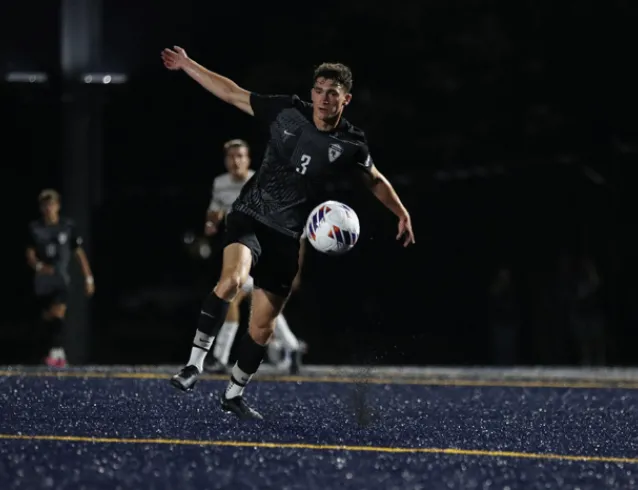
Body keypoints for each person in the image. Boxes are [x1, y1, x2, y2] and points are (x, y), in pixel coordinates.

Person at [162, 46, 415, 420]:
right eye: (319, 89)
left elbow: (374, 180)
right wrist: (186, 65)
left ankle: (233, 394)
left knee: (263, 327)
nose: (324, 98)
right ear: (311, 92)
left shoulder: (351, 143)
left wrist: (402, 212)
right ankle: (194, 364)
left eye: (333, 92)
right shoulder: (286, 111)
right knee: (232, 280)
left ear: (346, 98)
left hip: (288, 236)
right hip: (250, 216)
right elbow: (231, 91)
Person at [203, 139, 307, 374]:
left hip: (261, 253)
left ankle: (220, 357)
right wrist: (212, 222)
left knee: (234, 296)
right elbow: (215, 209)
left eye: (240, 156)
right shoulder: (220, 184)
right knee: (259, 303)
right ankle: (291, 347)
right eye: (231, 156)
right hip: (239, 251)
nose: (235, 161)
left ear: (248, 160)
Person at [26, 189, 95, 367]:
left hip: (61, 279)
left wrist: (88, 277)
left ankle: (58, 351)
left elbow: (79, 253)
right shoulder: (35, 228)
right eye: (45, 205)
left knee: (58, 312)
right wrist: (39, 266)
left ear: (58, 206)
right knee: (47, 317)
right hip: (43, 281)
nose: (49, 208)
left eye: (52, 204)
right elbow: (29, 252)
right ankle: (50, 351)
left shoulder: (67, 227)